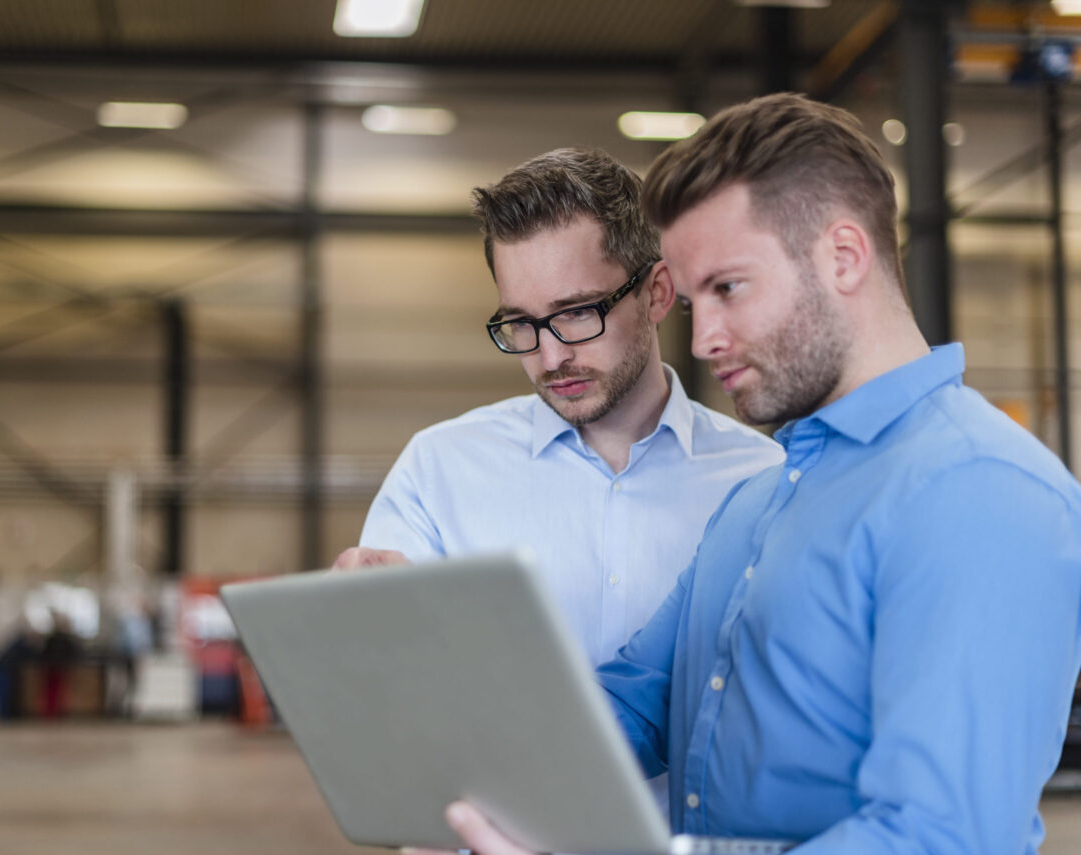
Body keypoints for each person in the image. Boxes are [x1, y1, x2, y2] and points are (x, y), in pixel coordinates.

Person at [422, 94, 1081, 855]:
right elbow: (636, 702)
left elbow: (936, 837)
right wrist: (460, 774)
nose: (702, 339)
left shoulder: (982, 491)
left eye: (728, 288)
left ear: (843, 256)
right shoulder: (758, 500)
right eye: (693, 300)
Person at [336, 148, 782, 674]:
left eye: (576, 313)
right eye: (520, 324)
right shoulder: (438, 472)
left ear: (657, 293)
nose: (551, 358)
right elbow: (389, 682)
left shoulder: (762, 481)